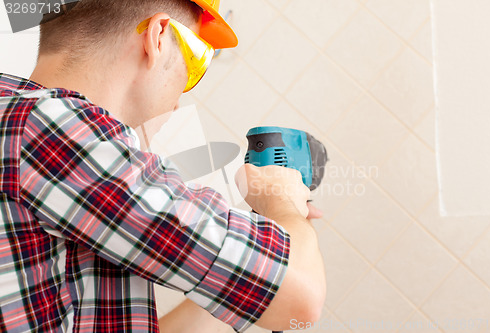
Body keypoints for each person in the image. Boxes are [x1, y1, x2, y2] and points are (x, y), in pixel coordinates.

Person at [0, 0, 326, 332]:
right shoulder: (58, 132)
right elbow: (300, 296)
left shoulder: (24, 125)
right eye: (198, 60)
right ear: (157, 36)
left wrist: (247, 259)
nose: (181, 96)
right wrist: (283, 200)